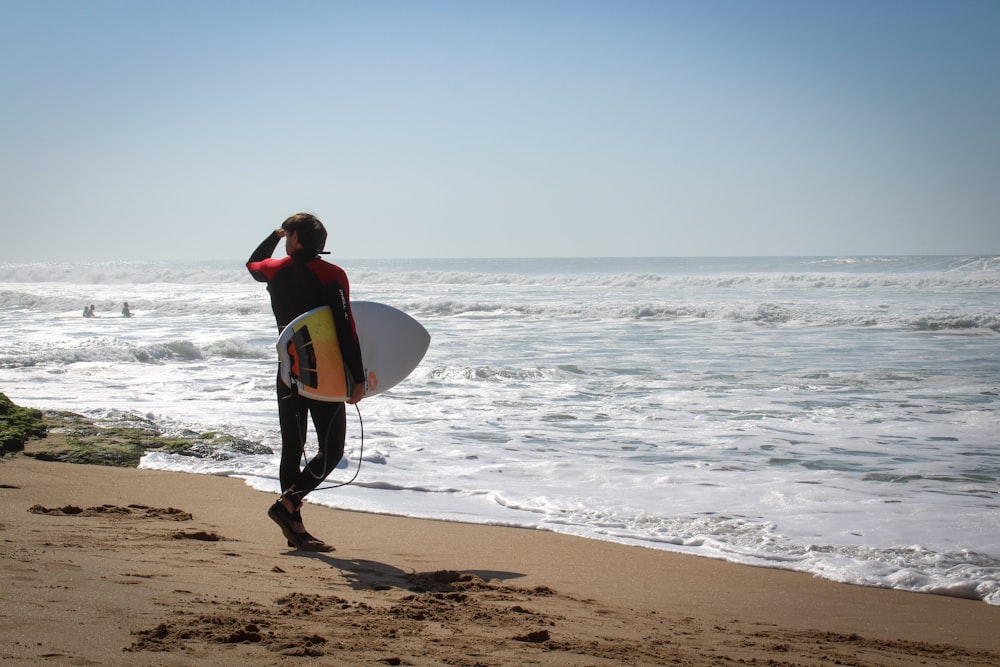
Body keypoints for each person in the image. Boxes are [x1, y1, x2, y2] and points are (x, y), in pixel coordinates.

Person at [247, 213, 365, 552]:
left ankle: (293, 522)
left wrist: (273, 233)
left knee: (292, 448)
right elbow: (346, 327)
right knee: (332, 451)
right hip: (323, 376)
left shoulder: (276, 270)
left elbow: (253, 263)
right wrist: (357, 377)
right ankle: (289, 509)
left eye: (288, 234)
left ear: (294, 237)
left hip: (288, 372)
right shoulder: (331, 274)